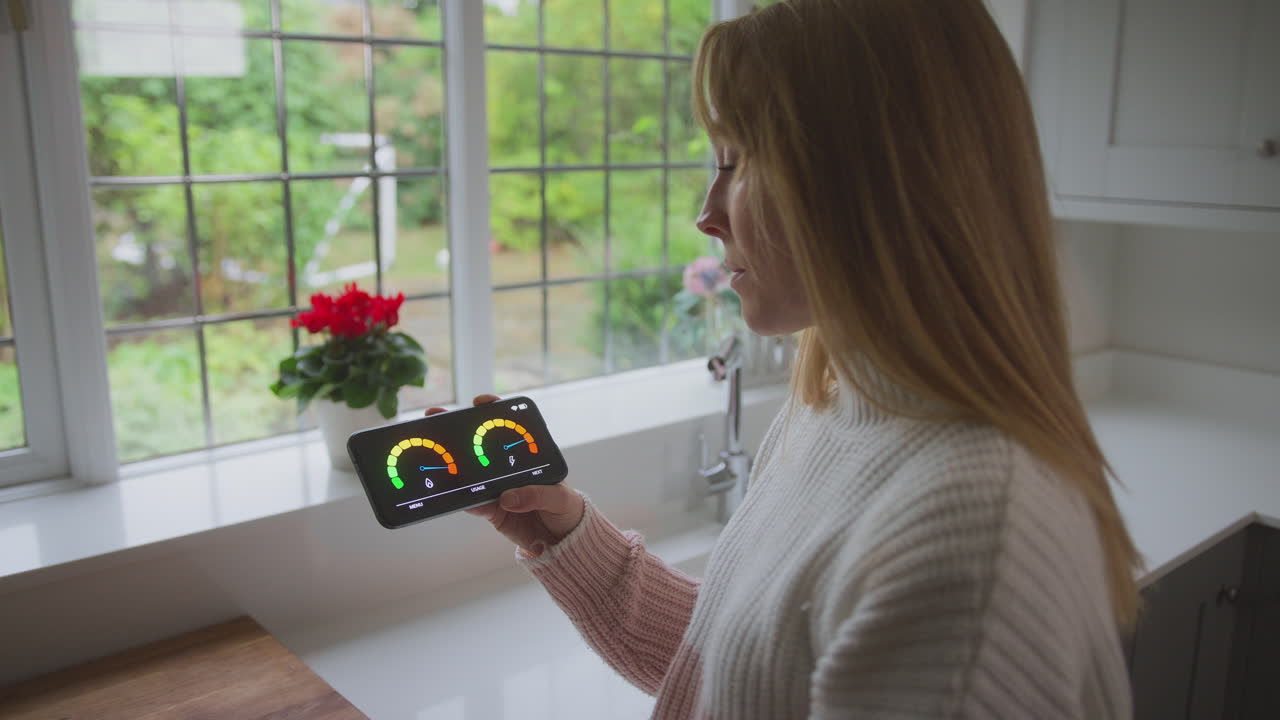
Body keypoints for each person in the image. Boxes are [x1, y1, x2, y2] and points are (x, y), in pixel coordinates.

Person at [428, 0, 1140, 716]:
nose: (706, 214)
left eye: (737, 161)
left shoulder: (964, 549)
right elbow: (745, 673)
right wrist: (564, 534)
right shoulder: (841, 402)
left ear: (874, 181)